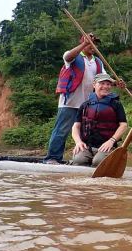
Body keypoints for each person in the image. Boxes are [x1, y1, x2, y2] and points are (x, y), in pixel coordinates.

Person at [44, 34, 104, 164]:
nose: (93, 46)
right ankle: (53, 158)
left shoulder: (97, 62)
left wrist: (117, 82)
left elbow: (104, 79)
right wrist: (84, 44)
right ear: (82, 43)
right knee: (62, 131)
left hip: (87, 105)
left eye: (95, 44)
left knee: (86, 133)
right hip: (70, 102)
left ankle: (83, 159)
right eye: (90, 43)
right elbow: (67, 57)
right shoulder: (73, 56)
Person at [71, 73, 128, 167]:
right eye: (102, 83)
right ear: (94, 85)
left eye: (108, 84)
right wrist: (78, 142)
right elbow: (76, 126)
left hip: (107, 146)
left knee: (98, 162)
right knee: (78, 160)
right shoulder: (85, 105)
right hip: (87, 146)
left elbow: (123, 125)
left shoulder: (116, 104)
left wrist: (111, 141)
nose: (106, 86)